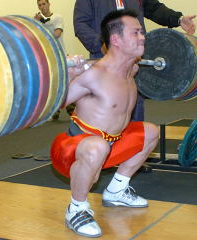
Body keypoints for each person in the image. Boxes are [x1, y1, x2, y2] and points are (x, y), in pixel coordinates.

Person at [50, 9, 159, 238]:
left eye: (141, 31)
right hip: (73, 149)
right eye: (136, 32)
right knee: (97, 146)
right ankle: (76, 209)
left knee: (150, 132)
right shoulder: (92, 75)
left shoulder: (133, 68)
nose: (143, 36)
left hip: (111, 144)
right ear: (116, 40)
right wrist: (69, 76)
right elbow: (53, 104)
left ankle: (117, 190)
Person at [73, 0, 196, 121]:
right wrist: (100, 44)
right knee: (109, 110)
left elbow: (154, 8)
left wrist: (178, 19)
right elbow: (80, 23)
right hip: (106, 62)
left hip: (134, 63)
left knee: (135, 112)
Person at [34, 0, 75, 120]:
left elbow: (56, 34)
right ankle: (56, 110)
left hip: (60, 55)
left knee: (65, 83)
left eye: (44, 4)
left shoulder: (57, 17)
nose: (42, 7)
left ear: (49, 4)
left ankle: (71, 108)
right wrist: (37, 24)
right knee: (53, 84)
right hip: (47, 56)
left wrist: (42, 23)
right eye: (40, 5)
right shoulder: (39, 21)